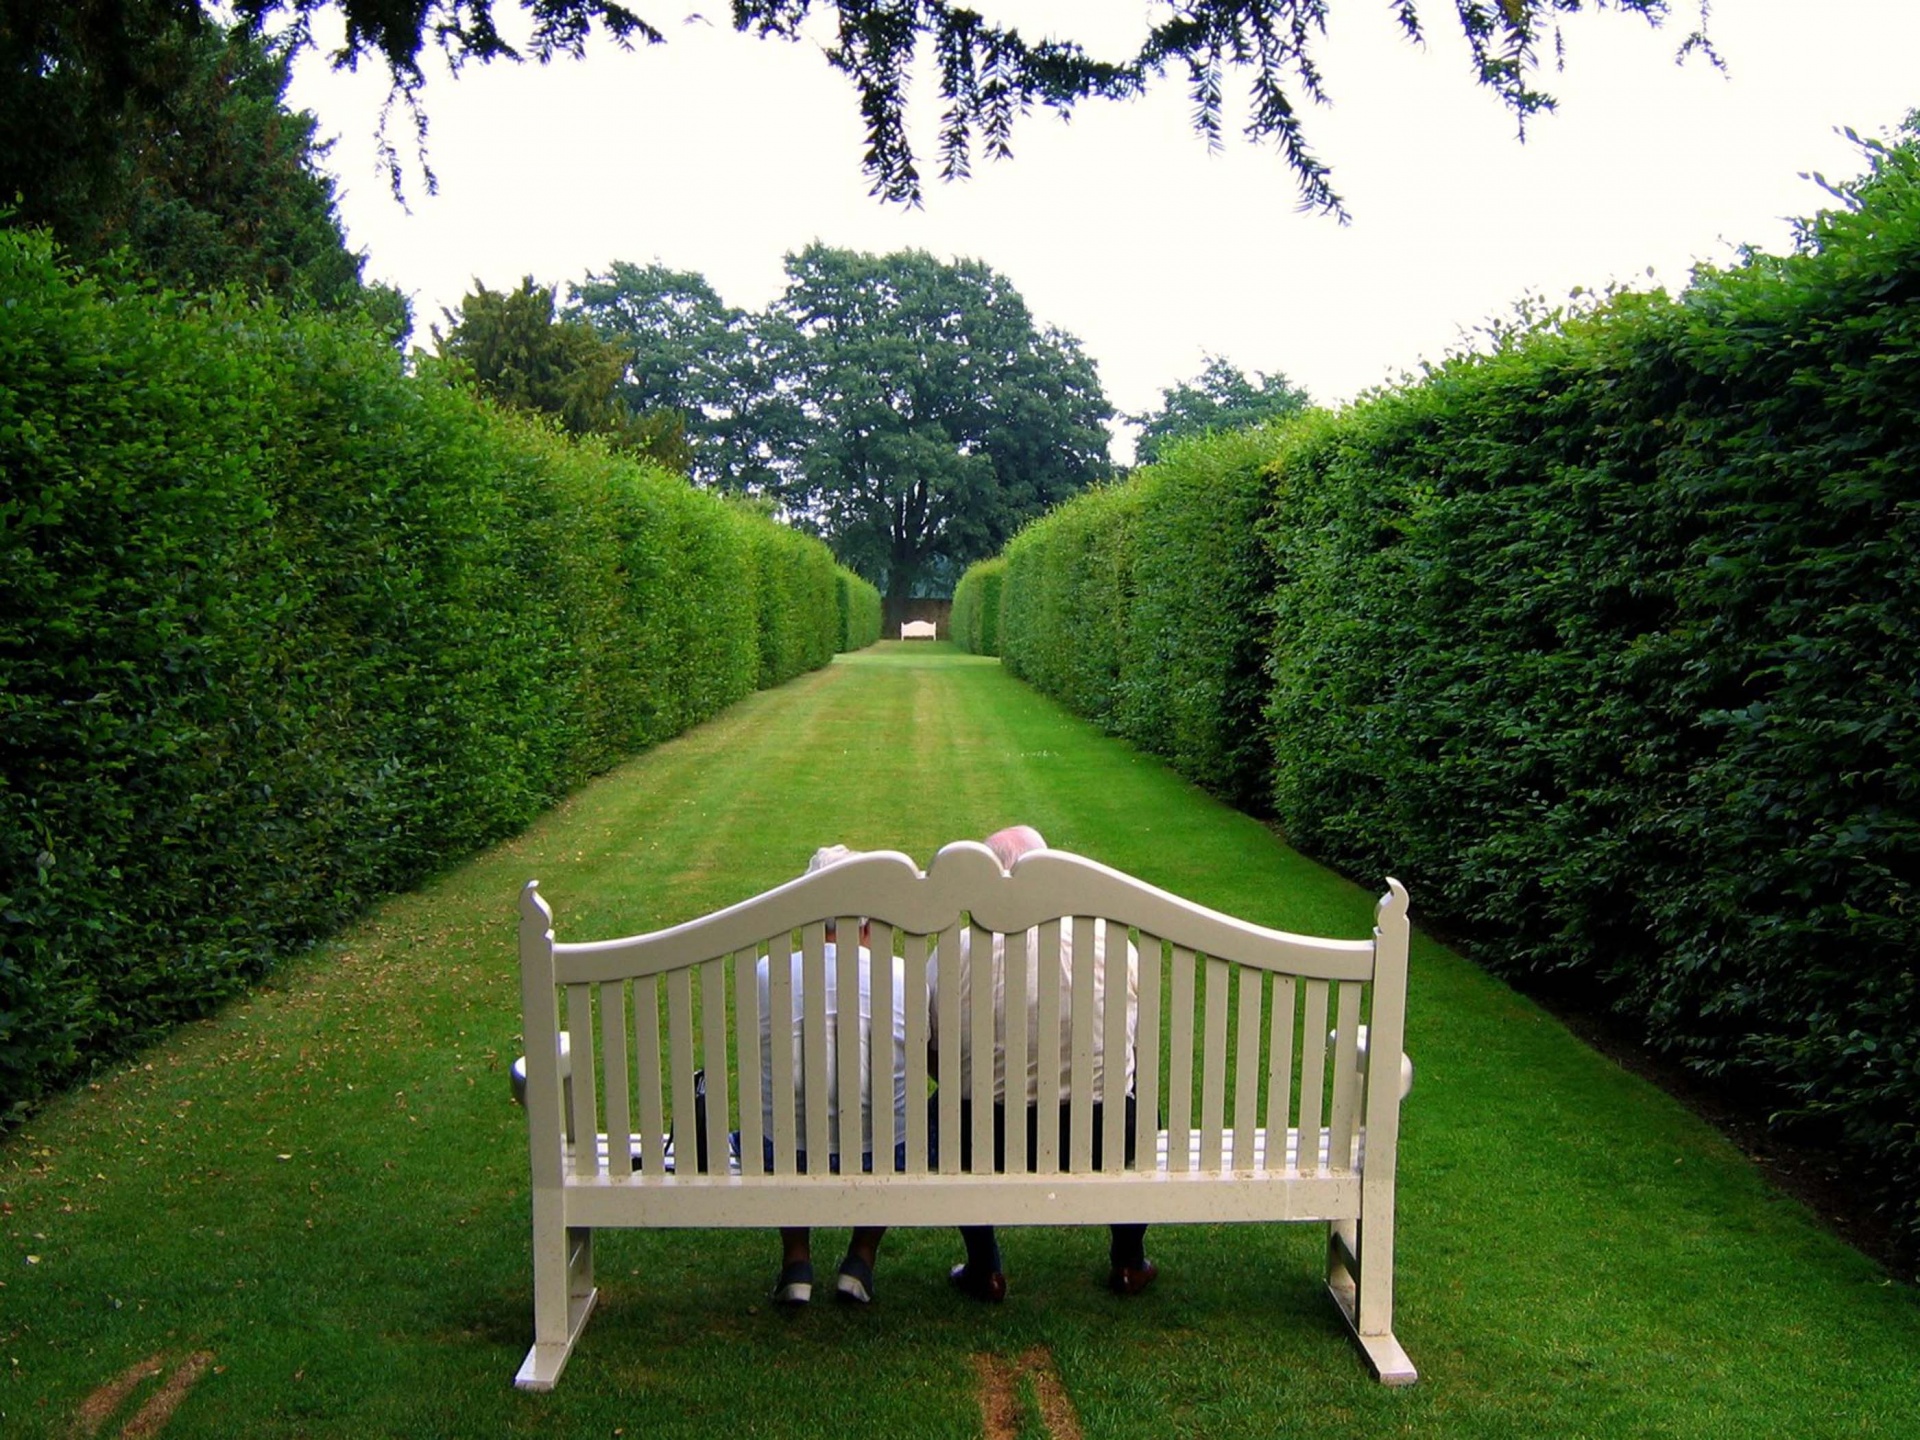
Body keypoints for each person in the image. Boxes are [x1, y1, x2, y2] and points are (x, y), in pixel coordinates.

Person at [929, 825, 1156, 1302]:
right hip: (1099, 1134)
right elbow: (1133, 1047)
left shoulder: (956, 949)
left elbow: (934, 1051)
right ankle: (1129, 1261)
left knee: (944, 1107)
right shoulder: (1112, 944)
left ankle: (984, 1266)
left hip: (982, 1137)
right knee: (1140, 1103)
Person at [761, 844, 910, 1308]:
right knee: (900, 1123)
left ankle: (797, 1262)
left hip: (787, 1152)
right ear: (868, 921)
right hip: (879, 1153)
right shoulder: (901, 974)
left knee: (780, 1120)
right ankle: (860, 1259)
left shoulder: (769, 973)